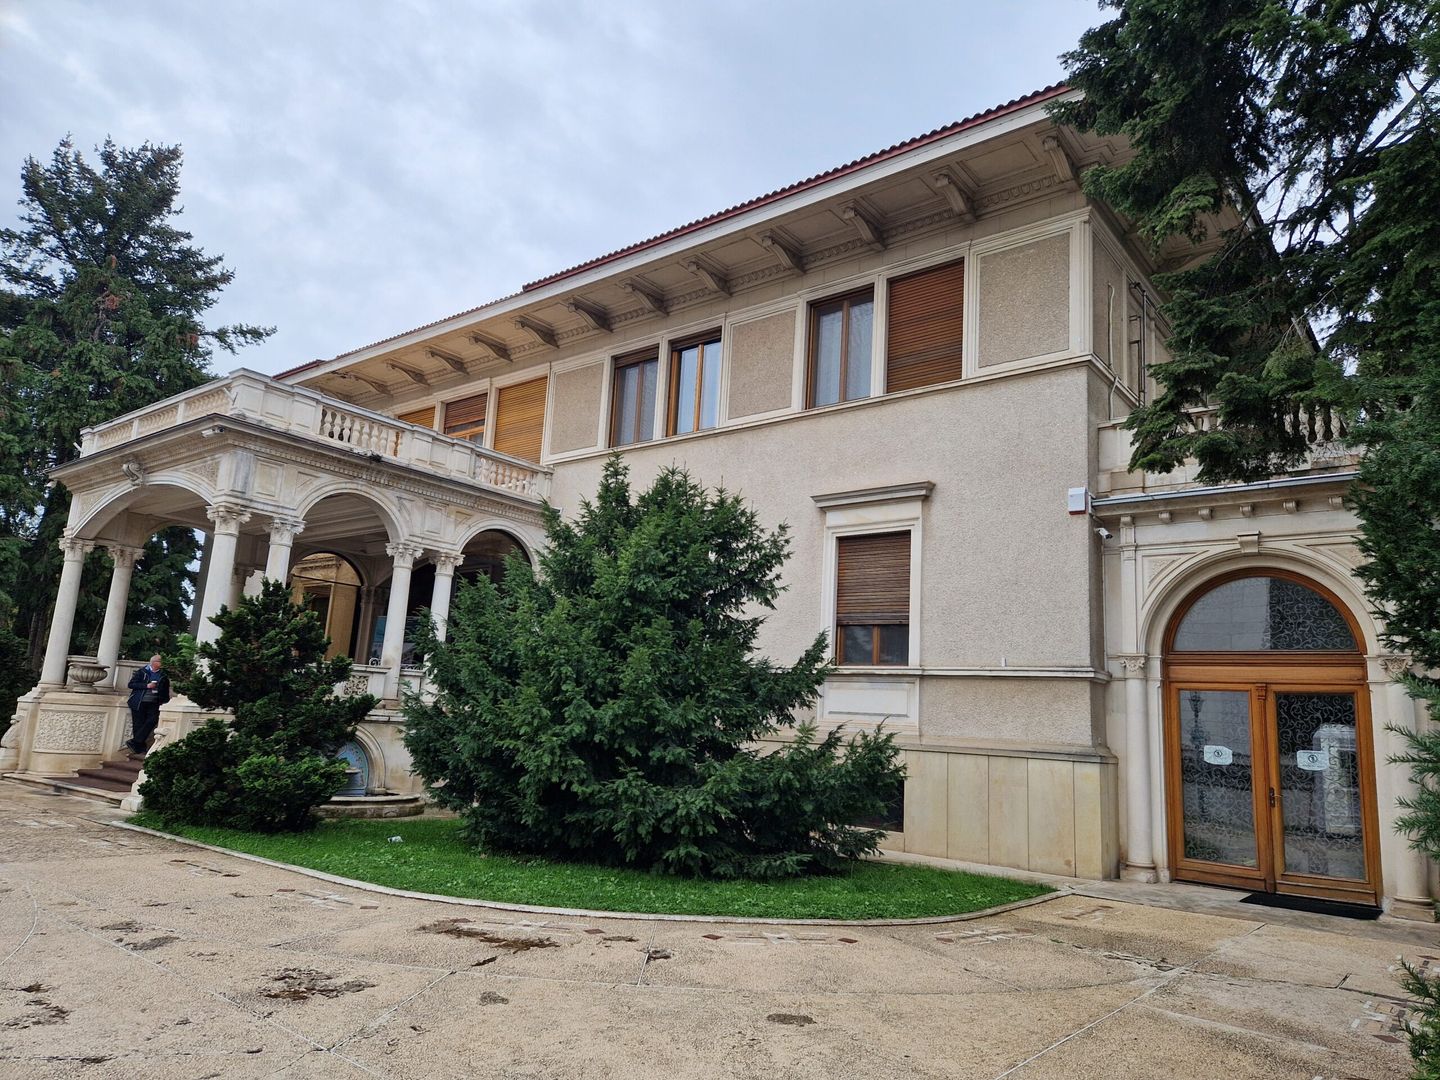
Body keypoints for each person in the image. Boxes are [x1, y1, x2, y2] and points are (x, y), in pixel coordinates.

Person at [125, 654, 170, 755]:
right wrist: (147, 685)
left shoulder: (163, 675)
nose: (162, 663)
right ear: (154, 662)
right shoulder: (142, 672)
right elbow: (131, 684)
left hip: (154, 702)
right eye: (160, 661)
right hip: (139, 702)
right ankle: (139, 747)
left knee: (152, 720)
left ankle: (135, 742)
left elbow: (165, 690)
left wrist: (165, 702)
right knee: (138, 724)